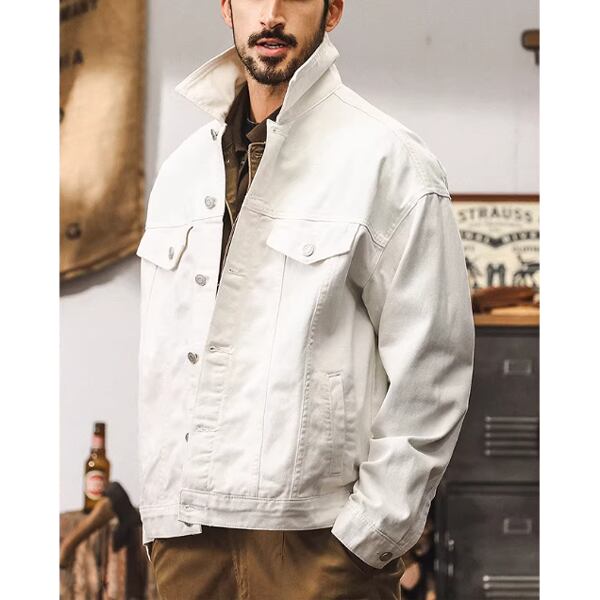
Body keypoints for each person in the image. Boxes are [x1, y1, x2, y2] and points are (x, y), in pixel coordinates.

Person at [135, 1, 475, 598]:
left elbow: (434, 365)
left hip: (317, 544)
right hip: (185, 541)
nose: (271, 14)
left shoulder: (388, 161)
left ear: (332, 10)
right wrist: (159, 524)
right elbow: (166, 360)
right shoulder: (183, 172)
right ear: (226, 7)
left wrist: (370, 535)